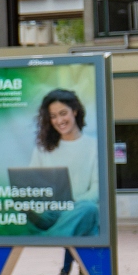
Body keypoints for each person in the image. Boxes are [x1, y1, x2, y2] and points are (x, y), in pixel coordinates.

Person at [28, 89, 100, 237]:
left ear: (74, 111)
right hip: (48, 212)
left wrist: (71, 204)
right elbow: (31, 185)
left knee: (89, 209)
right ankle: (58, 232)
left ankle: (48, 237)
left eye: (63, 113)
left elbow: (97, 189)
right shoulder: (43, 149)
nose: (59, 121)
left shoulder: (94, 146)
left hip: (77, 208)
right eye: (53, 116)